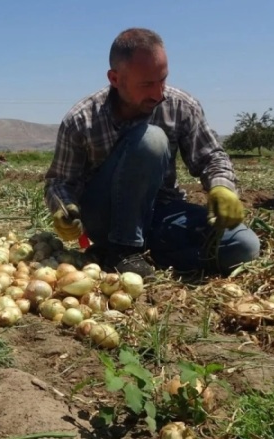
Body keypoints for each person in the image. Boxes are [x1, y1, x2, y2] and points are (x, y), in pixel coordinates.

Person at [45, 27, 261, 278]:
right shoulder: (82, 119)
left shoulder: (180, 105)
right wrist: (63, 208)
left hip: (161, 213)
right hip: (106, 216)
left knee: (242, 247)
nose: (158, 94)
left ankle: (139, 253)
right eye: (147, 84)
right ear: (115, 79)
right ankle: (122, 249)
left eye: (163, 79)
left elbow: (211, 156)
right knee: (152, 139)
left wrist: (221, 187)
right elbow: (59, 182)